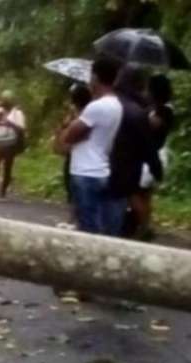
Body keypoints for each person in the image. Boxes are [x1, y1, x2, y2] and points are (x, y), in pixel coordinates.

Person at [61, 59, 123, 235]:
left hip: (85, 172)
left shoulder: (96, 107)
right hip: (102, 169)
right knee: (98, 225)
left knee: (87, 229)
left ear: (95, 77)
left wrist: (72, 124)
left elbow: (69, 136)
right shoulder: (116, 105)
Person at [108, 65, 163, 238]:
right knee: (120, 207)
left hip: (102, 163)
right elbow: (147, 145)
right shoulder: (137, 112)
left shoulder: (108, 103)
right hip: (126, 167)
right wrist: (156, 169)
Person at [130, 74, 174, 240]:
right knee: (145, 194)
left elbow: (152, 125)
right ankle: (144, 227)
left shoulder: (165, 110)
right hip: (149, 155)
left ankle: (144, 226)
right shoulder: (154, 107)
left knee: (133, 190)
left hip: (153, 155)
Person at [54, 84, 92, 218]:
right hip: (84, 160)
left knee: (75, 192)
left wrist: (64, 128)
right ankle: (74, 218)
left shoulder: (81, 119)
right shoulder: (88, 116)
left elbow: (63, 144)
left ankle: (74, 219)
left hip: (78, 160)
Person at [0, 90, 26, 201]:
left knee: (7, 168)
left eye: (7, 101)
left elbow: (21, 129)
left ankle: (3, 191)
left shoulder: (17, 113)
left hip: (10, 144)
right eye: (4, 101)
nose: (5, 103)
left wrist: (10, 123)